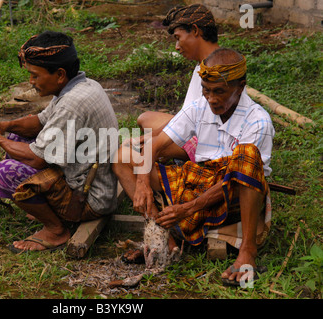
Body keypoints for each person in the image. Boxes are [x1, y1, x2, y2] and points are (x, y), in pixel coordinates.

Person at [113, 48, 275, 285]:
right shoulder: (200, 107)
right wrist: (142, 183)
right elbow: (155, 146)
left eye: (219, 91)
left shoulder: (258, 121)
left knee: (246, 156)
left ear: (240, 87)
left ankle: (247, 251)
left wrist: (188, 208)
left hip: (232, 193)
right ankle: (162, 237)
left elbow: (231, 181)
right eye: (206, 91)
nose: (212, 99)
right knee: (122, 156)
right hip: (195, 180)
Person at [0, 31, 118, 252]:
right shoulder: (82, 85)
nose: (31, 82)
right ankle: (43, 206)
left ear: (59, 74)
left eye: (35, 75)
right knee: (17, 136)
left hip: (90, 200)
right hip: (91, 179)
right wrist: (3, 127)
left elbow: (37, 159)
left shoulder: (72, 104)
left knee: (7, 171)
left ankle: (56, 230)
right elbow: (39, 122)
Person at [137, 4, 221, 163]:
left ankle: (163, 179)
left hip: (208, 142)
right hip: (193, 128)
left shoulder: (215, 70)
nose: (176, 47)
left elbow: (199, 126)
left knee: (142, 151)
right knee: (145, 119)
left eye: (178, 38)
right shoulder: (203, 63)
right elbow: (187, 116)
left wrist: (157, 139)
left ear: (195, 31)